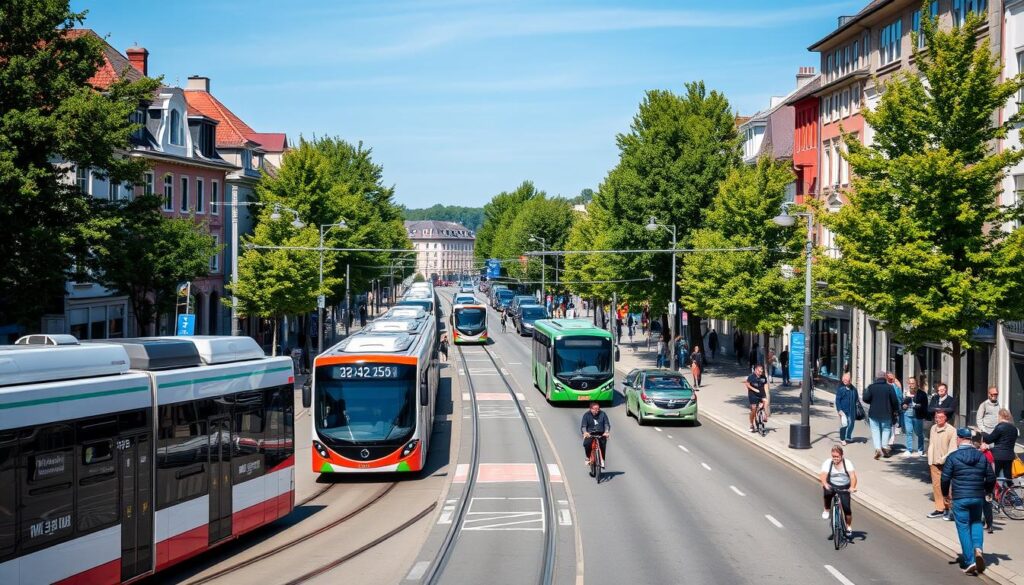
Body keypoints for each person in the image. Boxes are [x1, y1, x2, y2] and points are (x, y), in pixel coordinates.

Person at [942, 427, 996, 575]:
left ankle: (970, 560)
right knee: (976, 522)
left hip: (960, 497)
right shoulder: (981, 456)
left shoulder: (953, 457)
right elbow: (991, 477)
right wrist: (987, 490)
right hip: (977, 497)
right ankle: (978, 549)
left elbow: (945, 478)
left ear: (959, 439)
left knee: (963, 528)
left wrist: (945, 494)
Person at [819, 445, 858, 538]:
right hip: (832, 484)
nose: (835, 458)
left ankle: (848, 526)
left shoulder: (847, 463)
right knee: (827, 492)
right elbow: (823, 475)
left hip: (844, 486)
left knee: (847, 509)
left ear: (842, 455)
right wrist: (825, 484)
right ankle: (826, 509)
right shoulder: (828, 462)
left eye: (837, 456)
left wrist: (852, 487)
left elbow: (853, 477)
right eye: (833, 456)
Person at [927, 410, 958, 520]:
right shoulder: (933, 428)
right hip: (934, 462)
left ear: (945, 418)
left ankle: (948, 508)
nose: (937, 419)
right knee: (936, 486)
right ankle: (939, 508)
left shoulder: (951, 430)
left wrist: (943, 458)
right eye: (936, 417)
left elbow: (953, 448)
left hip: (946, 463)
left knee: (947, 487)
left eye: (940, 417)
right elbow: (931, 444)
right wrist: (930, 459)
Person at [862, 371, 899, 459]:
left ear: (876, 378)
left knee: (875, 431)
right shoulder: (889, 387)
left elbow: (865, 398)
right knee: (886, 430)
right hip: (887, 413)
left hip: (874, 413)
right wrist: (896, 410)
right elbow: (894, 400)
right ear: (885, 377)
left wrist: (872, 401)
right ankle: (884, 448)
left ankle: (878, 449)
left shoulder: (871, 387)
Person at [982, 409, 1020, 491]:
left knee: (993, 476)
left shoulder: (1000, 427)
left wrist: (982, 432)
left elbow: (989, 439)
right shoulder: (1014, 429)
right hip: (1009, 456)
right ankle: (1010, 495)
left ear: (1000, 416)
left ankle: (991, 495)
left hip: (998, 456)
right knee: (1008, 477)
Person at [901, 377, 928, 457]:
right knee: (908, 432)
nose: (911, 385)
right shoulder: (906, 393)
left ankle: (920, 449)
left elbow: (925, 405)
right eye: (910, 383)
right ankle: (909, 449)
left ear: (916, 384)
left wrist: (919, 406)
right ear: (908, 384)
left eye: (913, 383)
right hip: (907, 415)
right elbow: (901, 403)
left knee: (919, 433)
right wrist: (903, 406)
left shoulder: (922, 393)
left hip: (917, 416)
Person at [581, 401, 610, 468]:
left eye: (598, 409)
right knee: (587, 444)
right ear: (591, 409)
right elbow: (583, 426)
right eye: (595, 409)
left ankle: (602, 460)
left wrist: (606, 431)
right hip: (590, 434)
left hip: (601, 433)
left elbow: (606, 424)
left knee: (603, 445)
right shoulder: (586, 415)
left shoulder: (603, 414)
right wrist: (585, 432)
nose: (597, 410)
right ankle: (588, 457)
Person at [835, 373, 858, 445]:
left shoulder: (854, 389)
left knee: (851, 424)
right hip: (843, 411)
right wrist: (839, 410)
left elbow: (856, 399)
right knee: (844, 424)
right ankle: (842, 439)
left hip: (851, 410)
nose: (845, 381)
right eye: (844, 379)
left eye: (846, 379)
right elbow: (837, 400)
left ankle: (848, 436)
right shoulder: (840, 389)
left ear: (850, 380)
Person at [745, 364, 769, 432]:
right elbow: (747, 384)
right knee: (754, 409)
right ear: (755, 370)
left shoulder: (763, 377)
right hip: (753, 395)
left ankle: (765, 416)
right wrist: (754, 389)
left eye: (761, 371)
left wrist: (766, 394)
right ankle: (751, 425)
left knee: (766, 402)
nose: (760, 373)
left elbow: (765, 385)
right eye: (759, 371)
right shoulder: (751, 377)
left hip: (761, 394)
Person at [886, 372, 903, 451]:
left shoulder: (896, 385)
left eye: (892, 377)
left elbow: (900, 396)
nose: (890, 379)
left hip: (894, 408)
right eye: (889, 377)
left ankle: (891, 441)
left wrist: (899, 407)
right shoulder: (885, 386)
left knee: (893, 424)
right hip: (887, 408)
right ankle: (887, 440)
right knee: (887, 425)